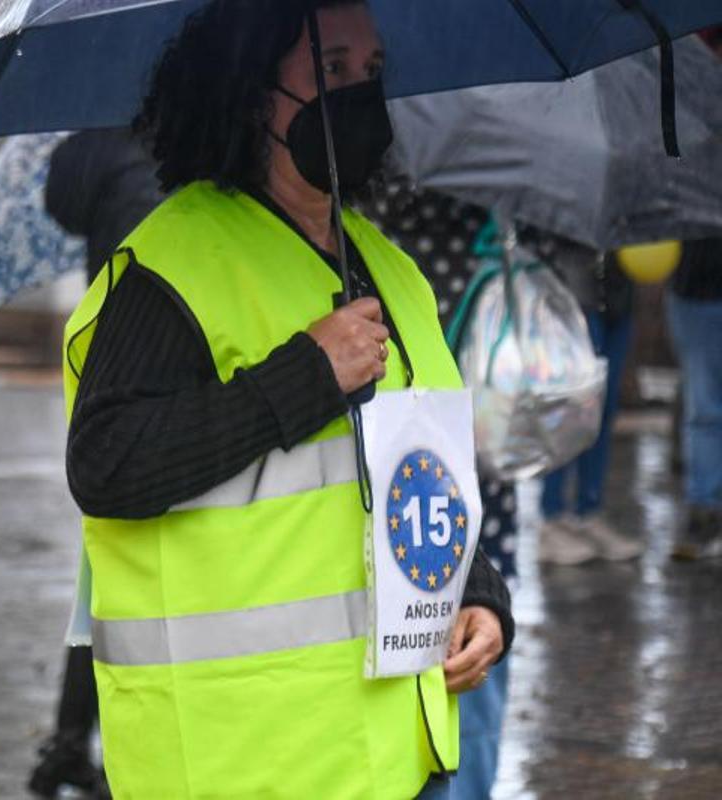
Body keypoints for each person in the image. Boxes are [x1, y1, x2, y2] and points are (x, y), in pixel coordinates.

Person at [62, 2, 513, 797]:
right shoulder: (171, 267)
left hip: (397, 757)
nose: (359, 94)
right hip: (245, 761)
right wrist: (305, 376)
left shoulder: (392, 270)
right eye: (332, 69)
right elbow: (108, 464)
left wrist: (474, 592)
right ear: (249, 91)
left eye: (372, 72)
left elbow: (411, 469)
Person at [363, 178, 519, 800]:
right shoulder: (374, 252)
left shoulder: (390, 236)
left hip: (461, 422)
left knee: (477, 623)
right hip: (430, 433)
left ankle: (469, 781)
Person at [26, 129, 162, 799]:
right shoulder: (167, 162)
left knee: (101, 579)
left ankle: (68, 738)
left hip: (101, 377)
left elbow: (64, 203)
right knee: (136, 586)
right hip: (155, 387)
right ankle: (111, 752)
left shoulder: (91, 146)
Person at [535, 242, 642, 565]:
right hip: (573, 297)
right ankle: (552, 517)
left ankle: (589, 510)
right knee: (569, 411)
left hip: (618, 297)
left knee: (603, 412)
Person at [668, 237, 722, 560]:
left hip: (693, 295)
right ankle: (704, 510)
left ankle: (704, 507)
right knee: (704, 408)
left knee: (703, 408)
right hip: (696, 296)